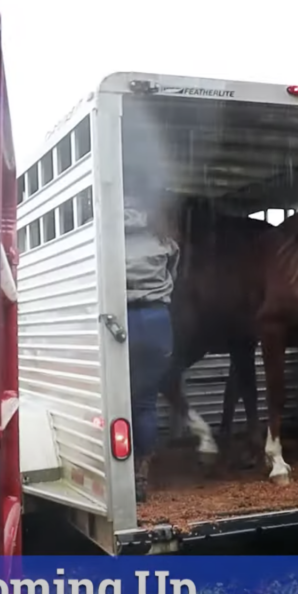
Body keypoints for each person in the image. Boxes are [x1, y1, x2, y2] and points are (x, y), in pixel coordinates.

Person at [124, 193, 179, 503]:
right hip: (159, 322)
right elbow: (175, 273)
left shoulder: (109, 240)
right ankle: (141, 476)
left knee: (118, 400)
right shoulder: (163, 240)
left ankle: (118, 471)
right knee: (146, 402)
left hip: (123, 322)